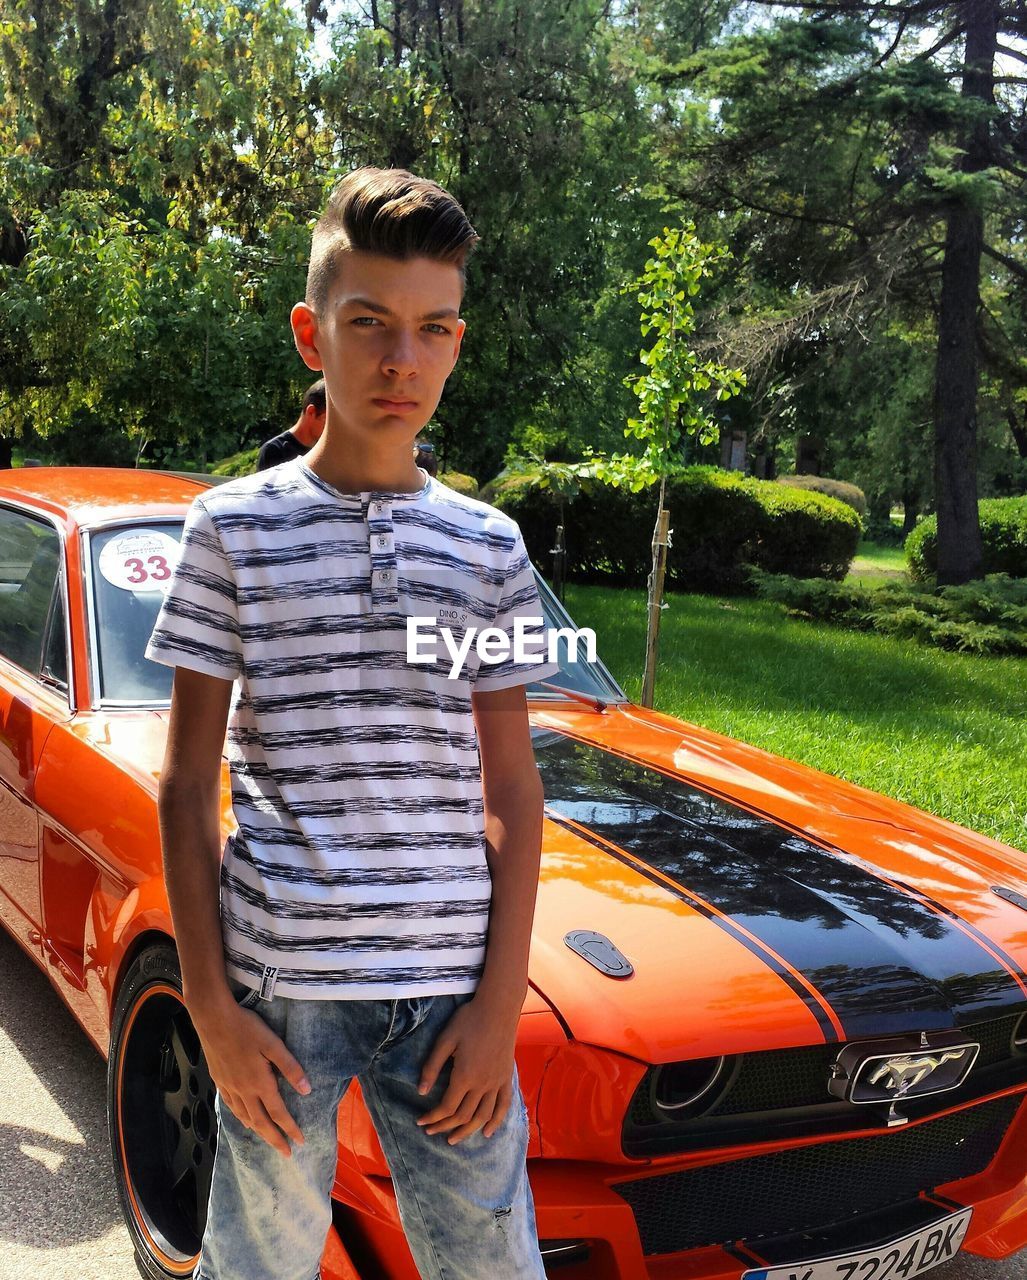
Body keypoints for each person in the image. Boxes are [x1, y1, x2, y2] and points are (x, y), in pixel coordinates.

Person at [145, 167, 560, 1280]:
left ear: (457, 344)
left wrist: (499, 996)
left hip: (448, 992)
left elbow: (511, 787)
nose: (399, 359)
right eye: (368, 323)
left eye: (430, 330)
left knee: (492, 1263)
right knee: (259, 1262)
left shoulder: (487, 546)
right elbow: (185, 785)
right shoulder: (229, 529)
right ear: (310, 331)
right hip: (279, 992)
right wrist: (210, 1005)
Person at [257, 379, 327, 469]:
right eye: (326, 421)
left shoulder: (326, 453)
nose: (332, 429)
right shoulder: (274, 451)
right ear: (311, 412)